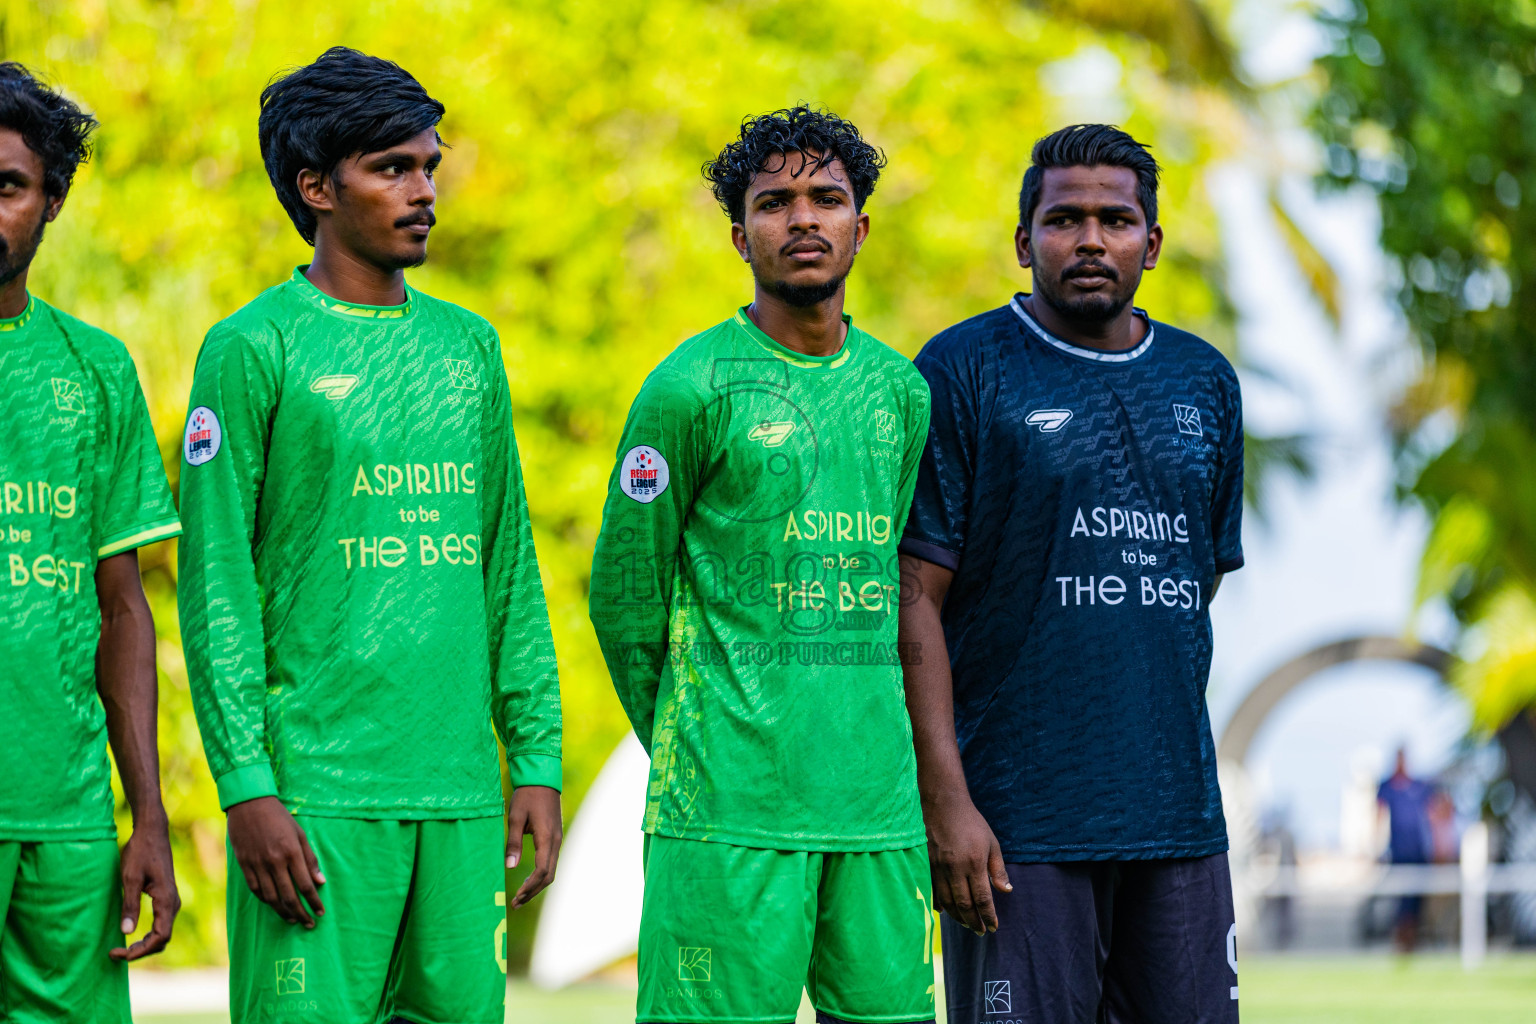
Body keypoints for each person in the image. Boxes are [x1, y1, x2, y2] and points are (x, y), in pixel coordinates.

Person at [177, 48, 563, 1024]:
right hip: (315, 798)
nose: (425, 189)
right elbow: (216, 583)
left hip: (461, 795)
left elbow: (506, 568)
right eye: (393, 167)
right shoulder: (254, 346)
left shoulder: (468, 346)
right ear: (316, 186)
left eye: (429, 164)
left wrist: (537, 758)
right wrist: (245, 786)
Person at [589, 106, 936, 1024]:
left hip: (877, 813)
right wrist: (698, 734)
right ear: (740, 235)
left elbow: (896, 585)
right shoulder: (689, 386)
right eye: (776, 202)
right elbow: (624, 597)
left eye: (828, 198)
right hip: (725, 814)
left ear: (861, 225)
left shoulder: (901, 392)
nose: (805, 218)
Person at [899, 124, 1245, 1024]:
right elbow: (913, 600)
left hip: (1177, 818)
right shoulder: (963, 368)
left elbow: (1191, 586)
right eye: (1065, 219)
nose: (1091, 239)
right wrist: (949, 803)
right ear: (1024, 242)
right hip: (1018, 829)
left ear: (1152, 244)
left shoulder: (1205, 381)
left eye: (1117, 220)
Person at [0, 63, 182, 1021]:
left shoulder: (96, 368)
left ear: (51, 200)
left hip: (67, 818)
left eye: (8, 185)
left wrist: (145, 814)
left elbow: (122, 608)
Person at [1377, 746, 1434, 951]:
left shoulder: (1420, 786)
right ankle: (1401, 940)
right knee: (1401, 899)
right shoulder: (1386, 786)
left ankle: (1413, 939)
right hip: (1398, 853)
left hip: (1419, 851)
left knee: (1416, 899)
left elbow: (1434, 812)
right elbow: (1378, 815)